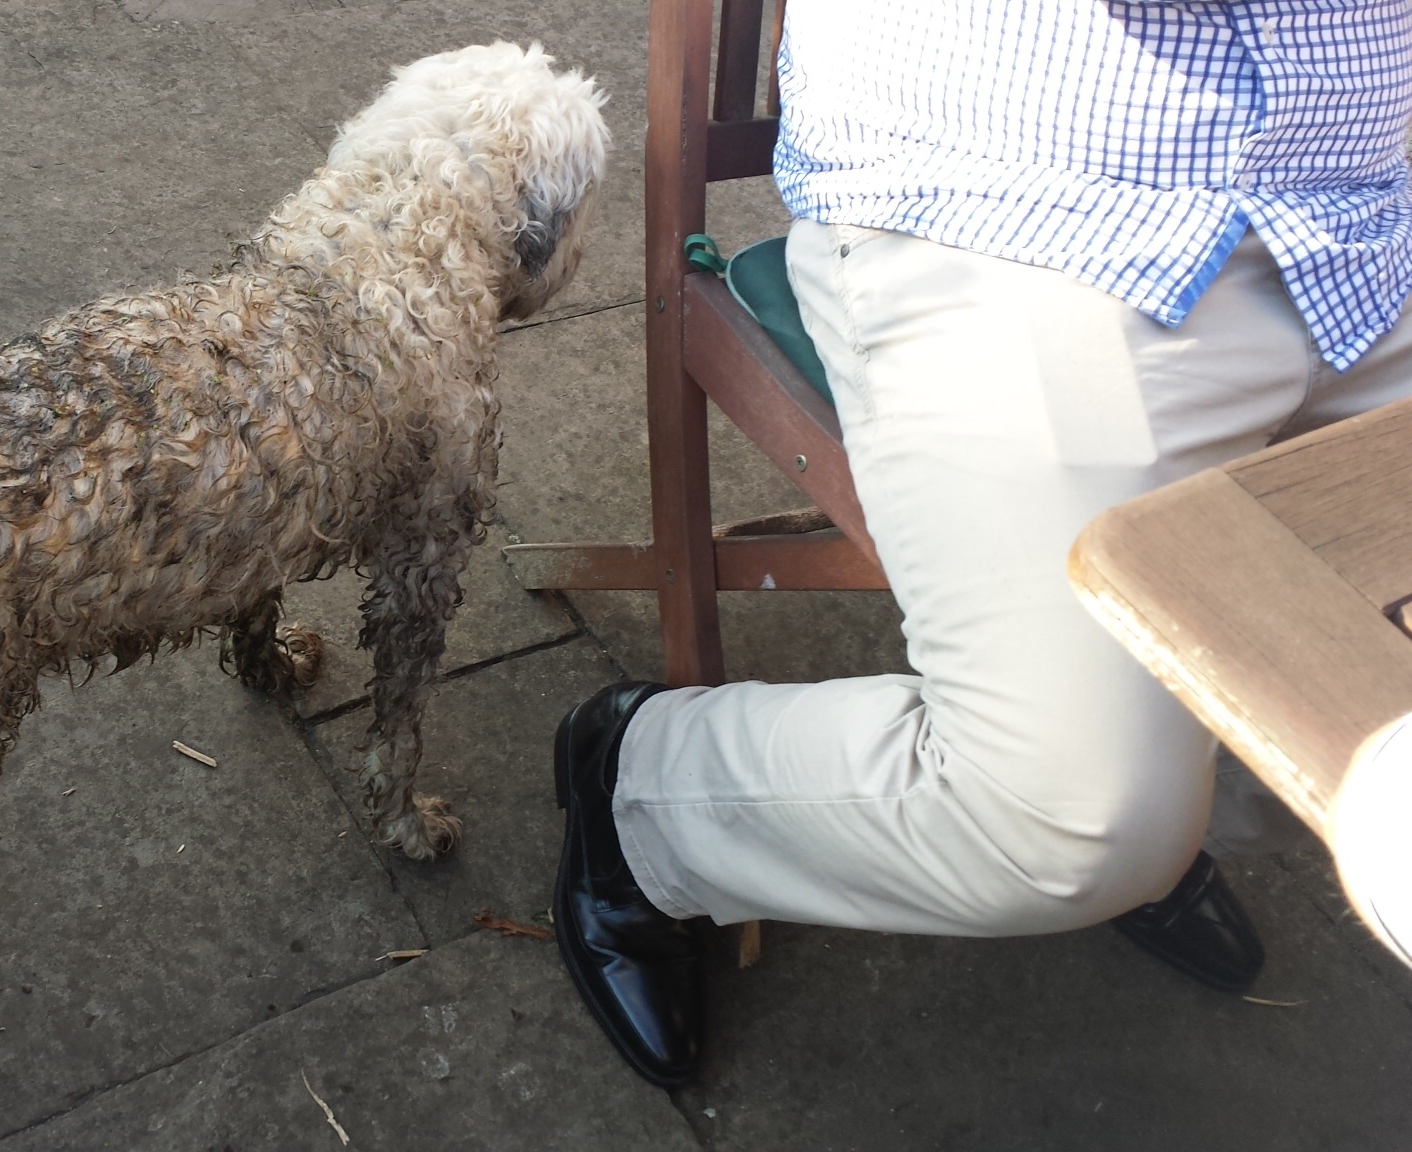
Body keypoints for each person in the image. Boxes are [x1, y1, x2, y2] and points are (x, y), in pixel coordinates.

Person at [553, 0, 1412, 1087]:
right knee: (1071, 820)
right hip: (1022, 202)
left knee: (1342, 724)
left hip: (1360, 208)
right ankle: (645, 792)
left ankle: (1174, 813)